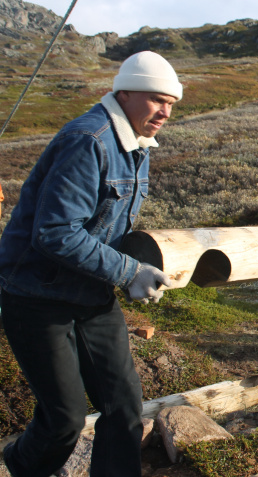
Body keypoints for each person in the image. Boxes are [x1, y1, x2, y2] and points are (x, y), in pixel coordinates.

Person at [0, 50, 182, 476]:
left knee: (124, 408)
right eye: (157, 99)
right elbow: (55, 233)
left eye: (172, 104)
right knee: (63, 420)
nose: (165, 112)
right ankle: (22, 467)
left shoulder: (137, 146)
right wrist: (128, 271)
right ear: (125, 93)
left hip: (91, 293)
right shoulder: (89, 141)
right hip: (37, 295)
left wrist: (141, 259)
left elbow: (104, 225)